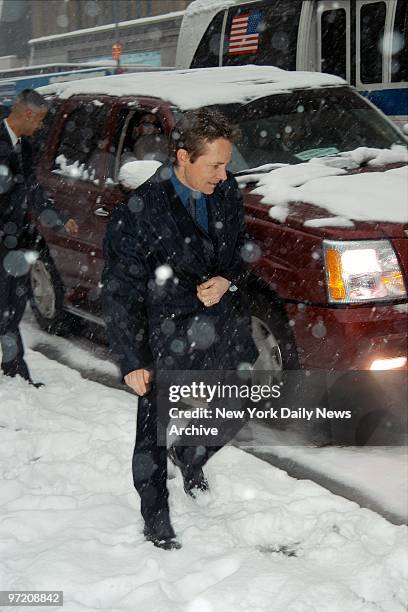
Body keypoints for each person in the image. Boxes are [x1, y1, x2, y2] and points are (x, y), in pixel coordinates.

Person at [102, 108, 258, 550]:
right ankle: (156, 519)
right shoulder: (137, 211)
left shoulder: (226, 191)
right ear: (183, 157)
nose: (224, 174)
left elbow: (241, 248)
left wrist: (228, 277)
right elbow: (119, 291)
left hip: (223, 325)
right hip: (164, 334)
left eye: (226, 164)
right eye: (215, 165)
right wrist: (131, 360)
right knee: (154, 431)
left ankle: (191, 453)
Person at [0, 89, 78, 386]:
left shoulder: (26, 146)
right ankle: (15, 371)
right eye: (41, 120)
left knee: (13, 308)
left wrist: (56, 220)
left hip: (16, 243)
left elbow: (32, 190)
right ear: (28, 113)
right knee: (5, 312)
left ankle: (14, 370)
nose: (41, 127)